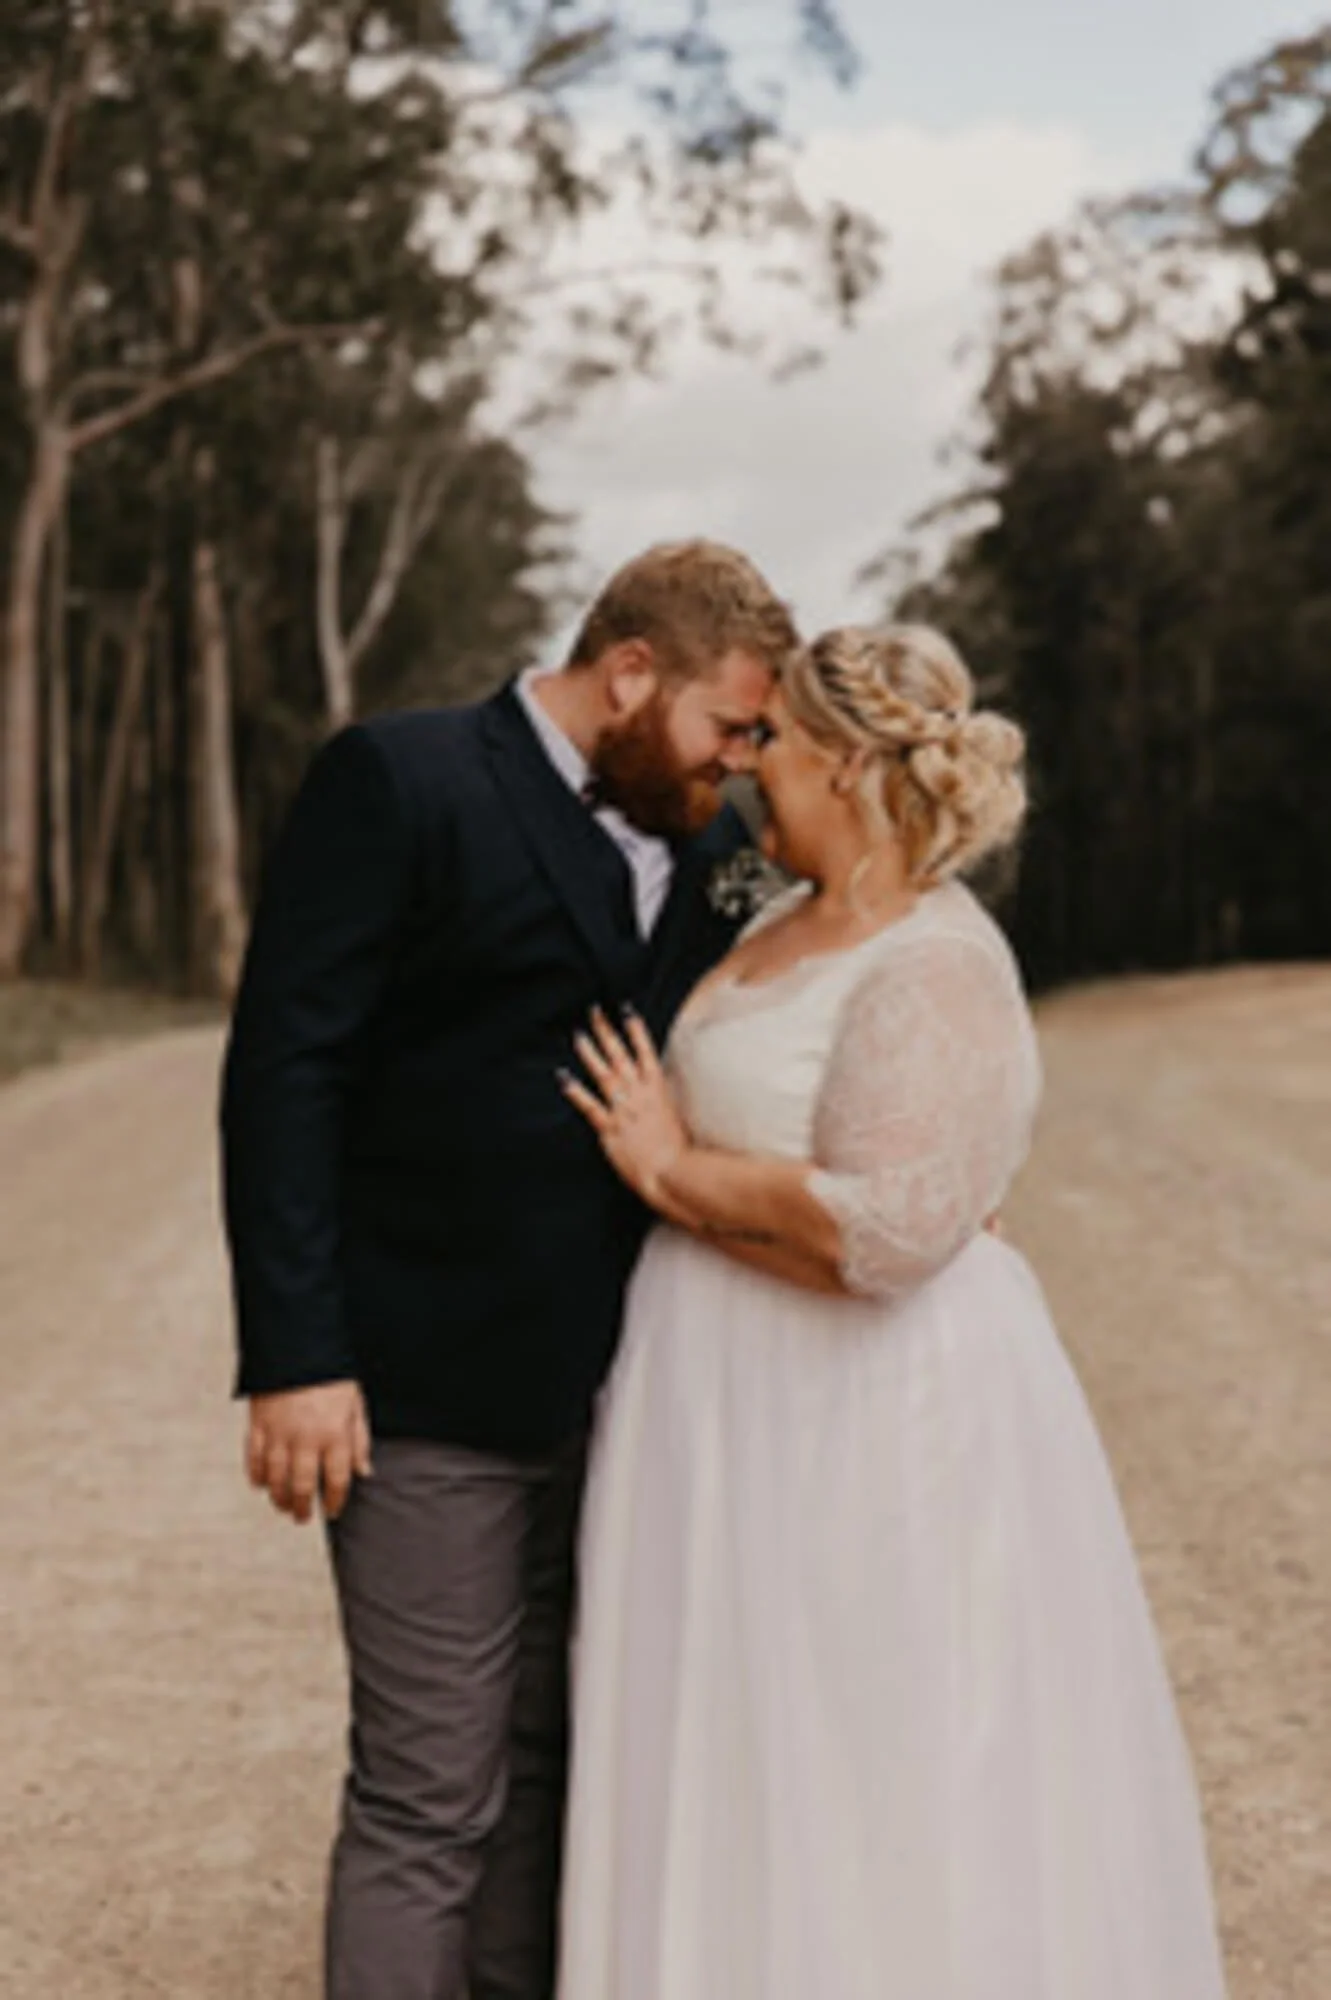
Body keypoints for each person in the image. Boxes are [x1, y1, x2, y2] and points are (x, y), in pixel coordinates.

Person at [557, 623, 1229, 1999]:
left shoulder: (936, 961)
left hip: (855, 1412)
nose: (752, 775)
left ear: (853, 768)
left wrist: (674, 1169)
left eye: (780, 749)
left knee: (867, 1741)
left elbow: (887, 1233)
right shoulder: (764, 903)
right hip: (712, 1397)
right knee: (731, 1739)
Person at [219, 540, 799, 2000]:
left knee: (559, 1772)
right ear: (626, 675)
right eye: (729, 726)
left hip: (638, 1387)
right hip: (424, 1387)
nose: (740, 766)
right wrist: (296, 1352)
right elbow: (287, 1072)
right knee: (429, 1799)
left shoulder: (721, 850)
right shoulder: (403, 782)